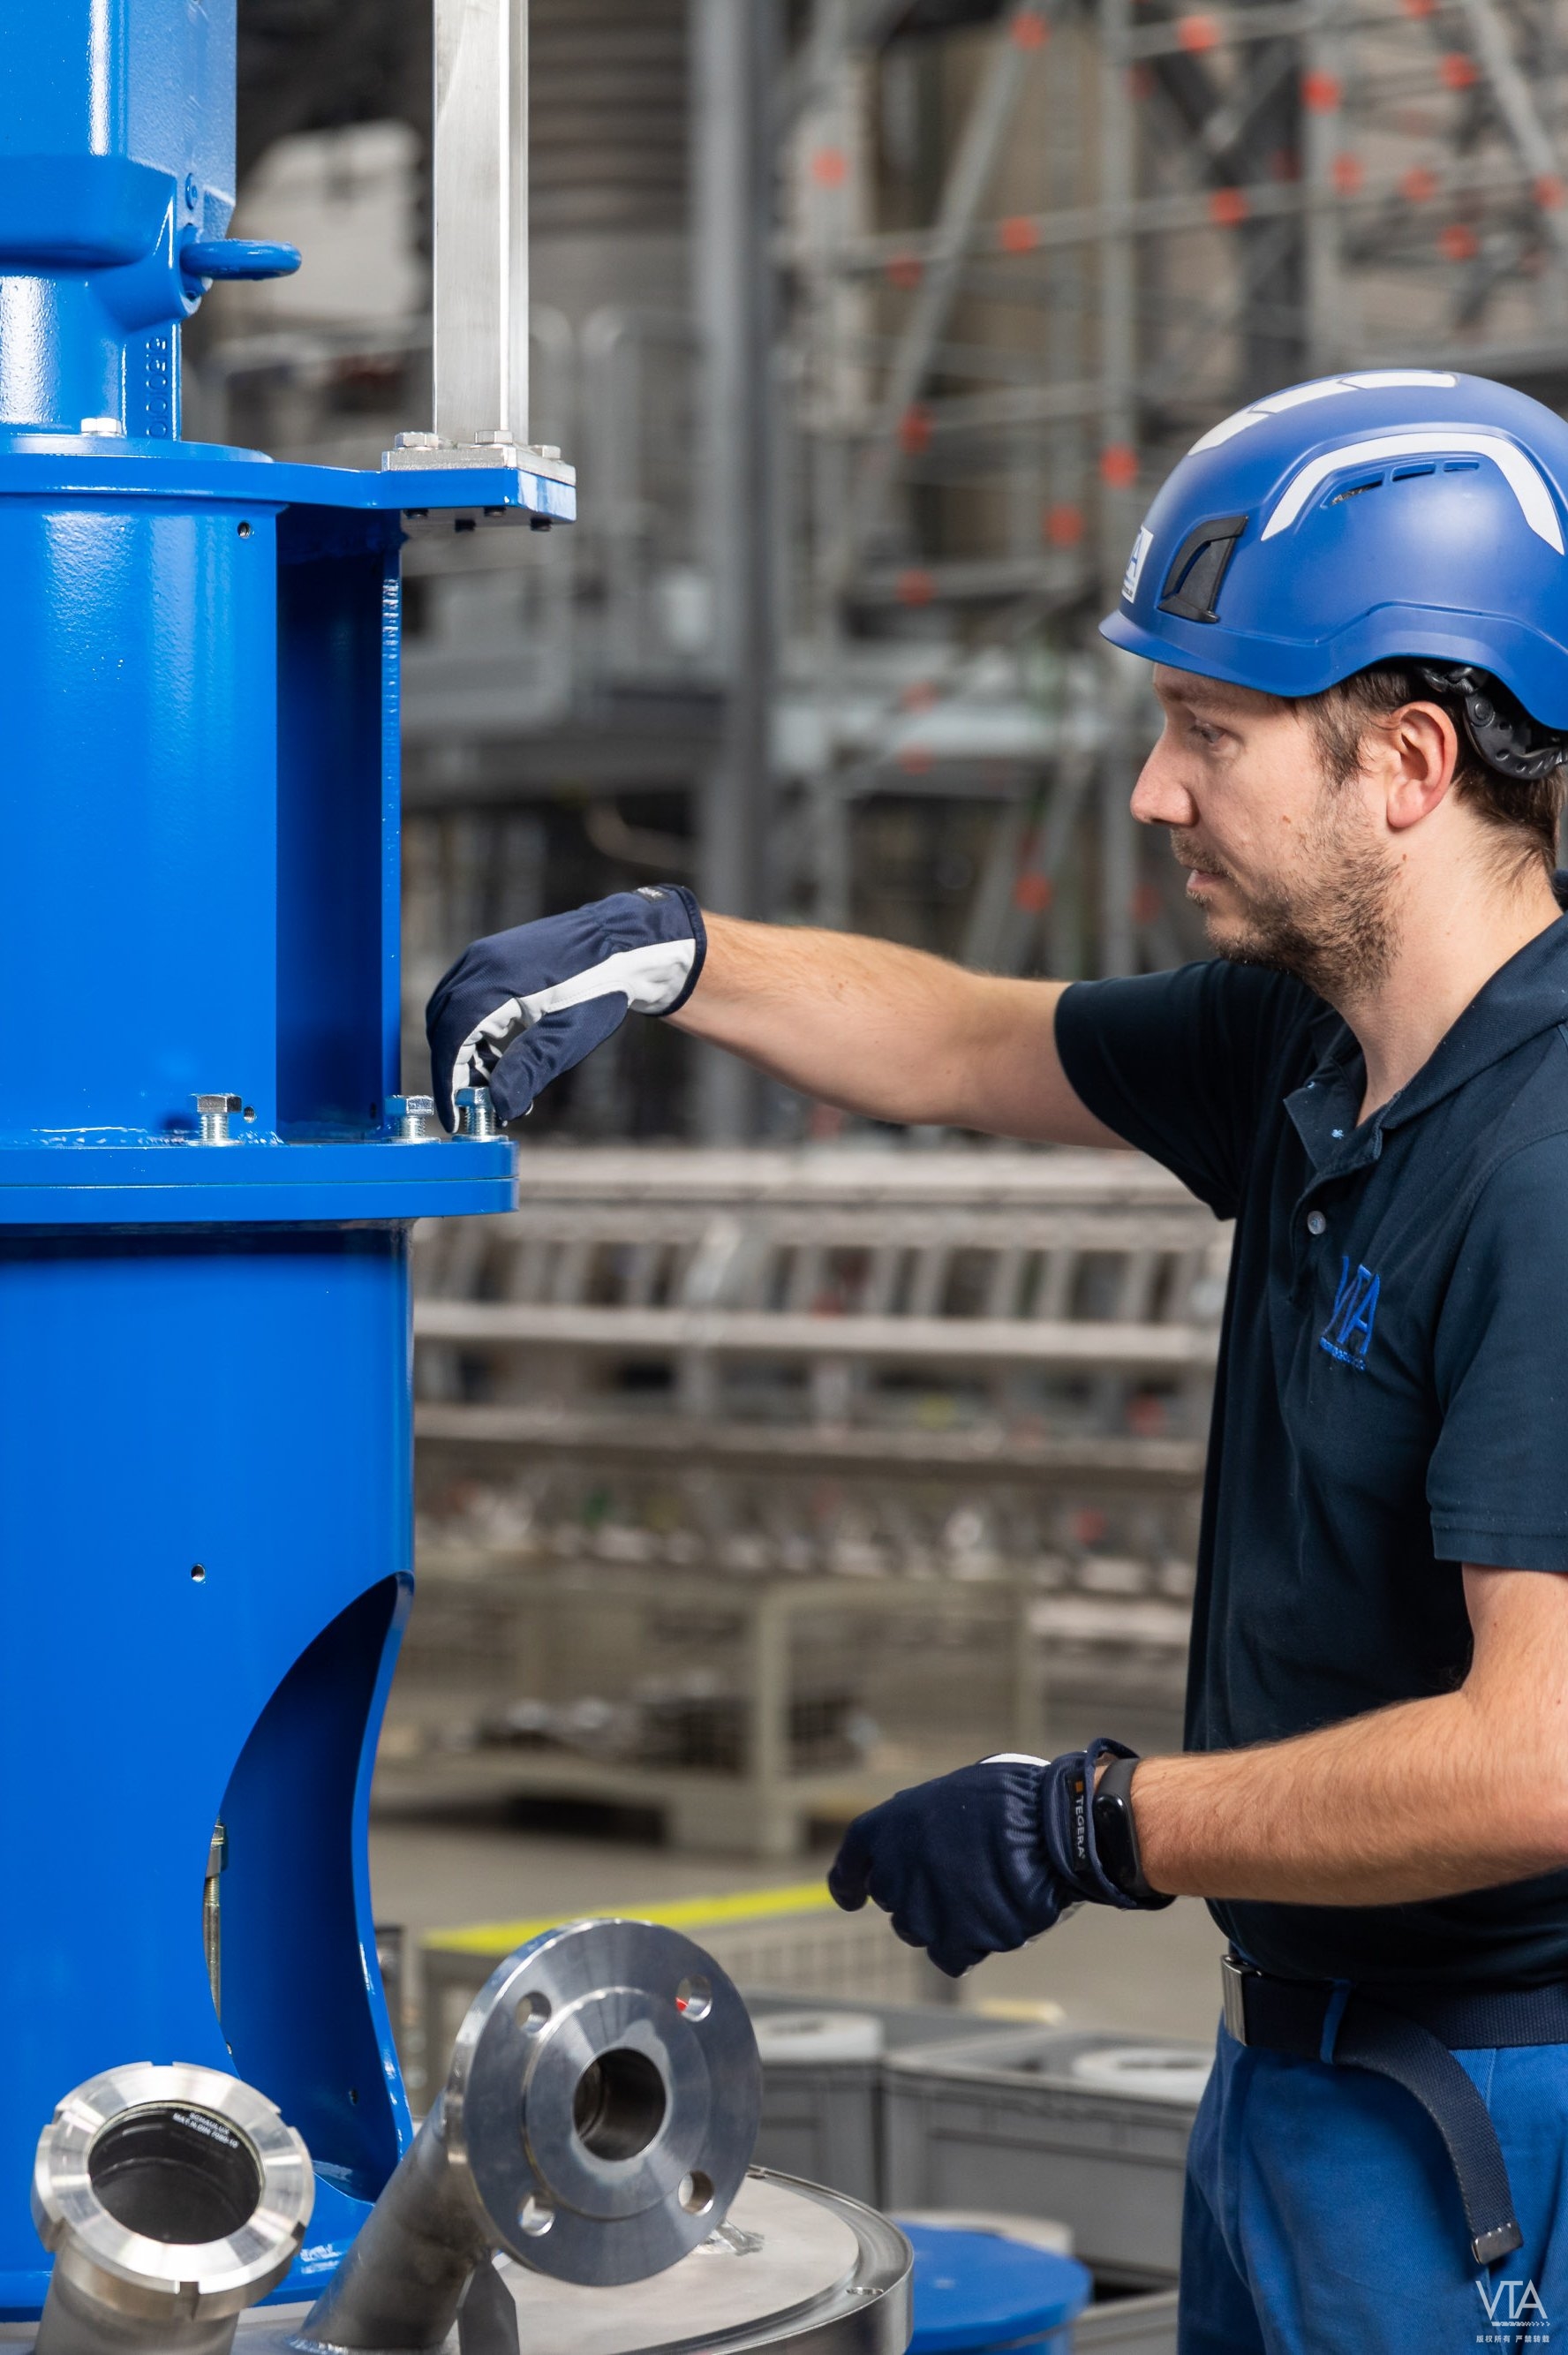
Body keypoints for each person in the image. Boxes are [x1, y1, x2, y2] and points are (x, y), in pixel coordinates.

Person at [427, 371, 1568, 2353]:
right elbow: (968, 1040)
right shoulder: (1308, 1049)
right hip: (1299, 2059)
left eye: (1210, 731)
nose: (1154, 790)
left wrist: (1095, 1821)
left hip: (1486, 2118)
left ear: (1406, 761)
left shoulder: (1541, 1167)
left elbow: (1537, 1756)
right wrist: (675, 953)